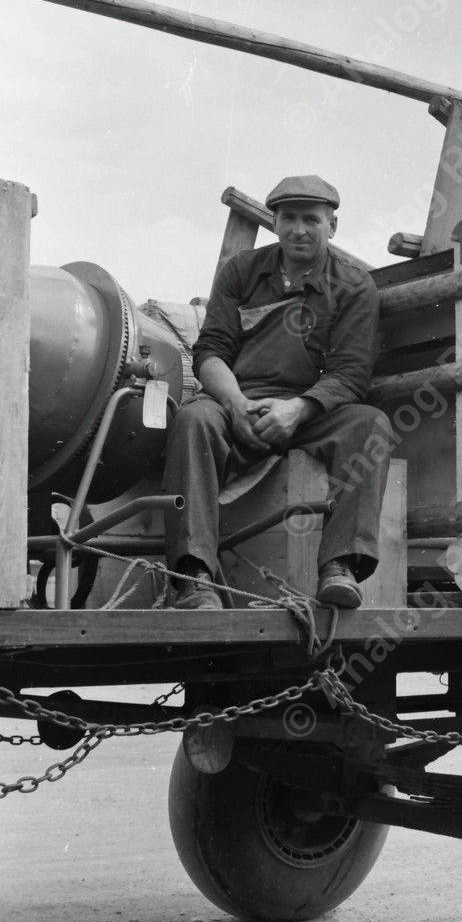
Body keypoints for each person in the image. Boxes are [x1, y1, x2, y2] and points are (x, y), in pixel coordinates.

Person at [162, 174, 391, 609]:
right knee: (194, 419)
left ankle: (339, 568)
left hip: (312, 411)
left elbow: (351, 374)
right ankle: (193, 577)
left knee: (371, 425)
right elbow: (210, 349)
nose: (299, 229)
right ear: (274, 222)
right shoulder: (241, 272)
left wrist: (297, 409)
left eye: (311, 219)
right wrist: (235, 404)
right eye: (288, 218)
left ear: (332, 226)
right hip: (239, 403)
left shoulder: (355, 286)